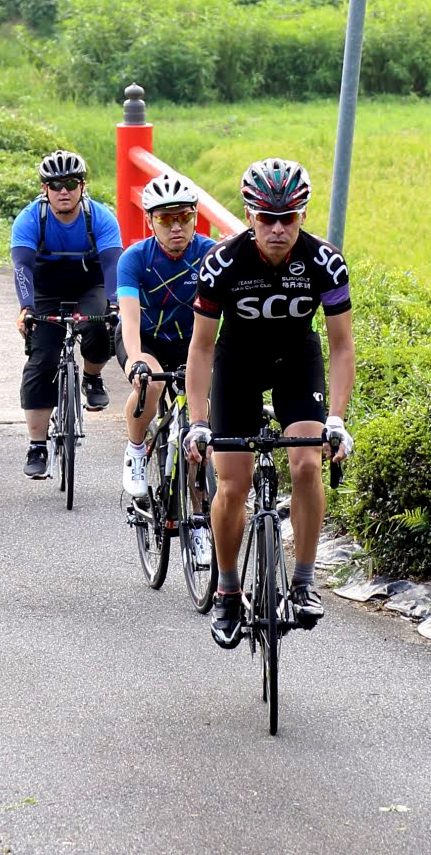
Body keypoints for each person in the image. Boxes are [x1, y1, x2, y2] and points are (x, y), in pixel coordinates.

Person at [183, 158, 355, 647]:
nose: (277, 229)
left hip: (296, 364)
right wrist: (197, 422)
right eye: (265, 218)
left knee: (306, 464)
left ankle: (302, 581)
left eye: (288, 218)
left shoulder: (325, 262)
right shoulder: (222, 262)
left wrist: (337, 419)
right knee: (232, 485)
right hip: (236, 367)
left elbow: (341, 346)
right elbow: (201, 347)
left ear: (302, 215)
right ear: (249, 215)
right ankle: (228, 589)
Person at [10, 150, 122, 480]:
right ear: (44, 188)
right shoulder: (31, 219)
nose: (64, 191)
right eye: (55, 184)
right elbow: (22, 267)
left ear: (82, 186)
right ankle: (37, 446)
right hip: (46, 289)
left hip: (90, 283)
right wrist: (26, 308)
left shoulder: (99, 217)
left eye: (71, 184)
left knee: (100, 328)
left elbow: (114, 264)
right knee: (42, 361)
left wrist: (114, 305)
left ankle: (91, 377)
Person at [115, 171, 218, 515]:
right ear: (150, 221)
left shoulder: (210, 255)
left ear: (195, 217)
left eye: (184, 217)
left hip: (193, 344)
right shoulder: (135, 259)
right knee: (151, 383)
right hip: (145, 340)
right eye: (165, 218)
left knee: (200, 428)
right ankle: (135, 449)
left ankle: (201, 517)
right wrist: (136, 360)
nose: (176, 227)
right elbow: (129, 319)